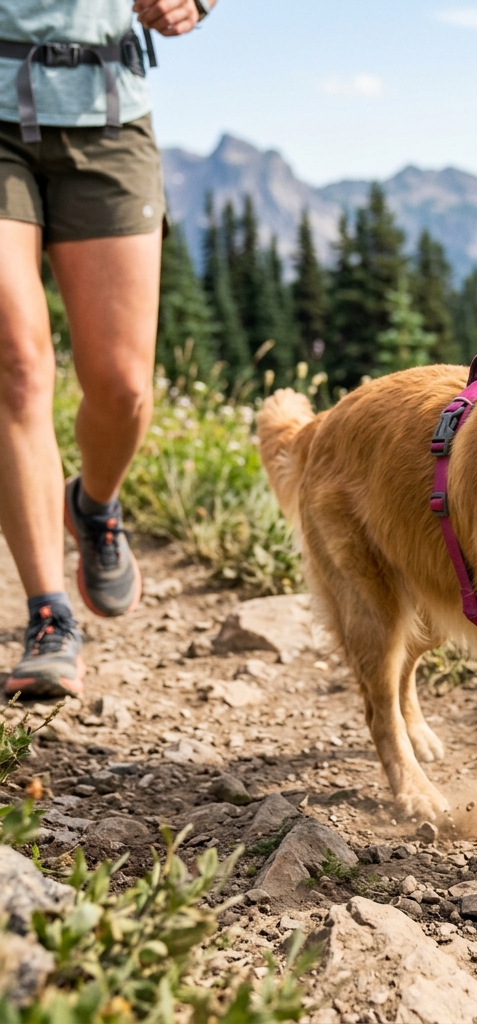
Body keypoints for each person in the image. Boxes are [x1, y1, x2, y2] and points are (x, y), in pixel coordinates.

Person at [0, 0, 216, 700]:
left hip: (107, 109)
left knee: (122, 387)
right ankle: (49, 616)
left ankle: (93, 505)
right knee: (18, 367)